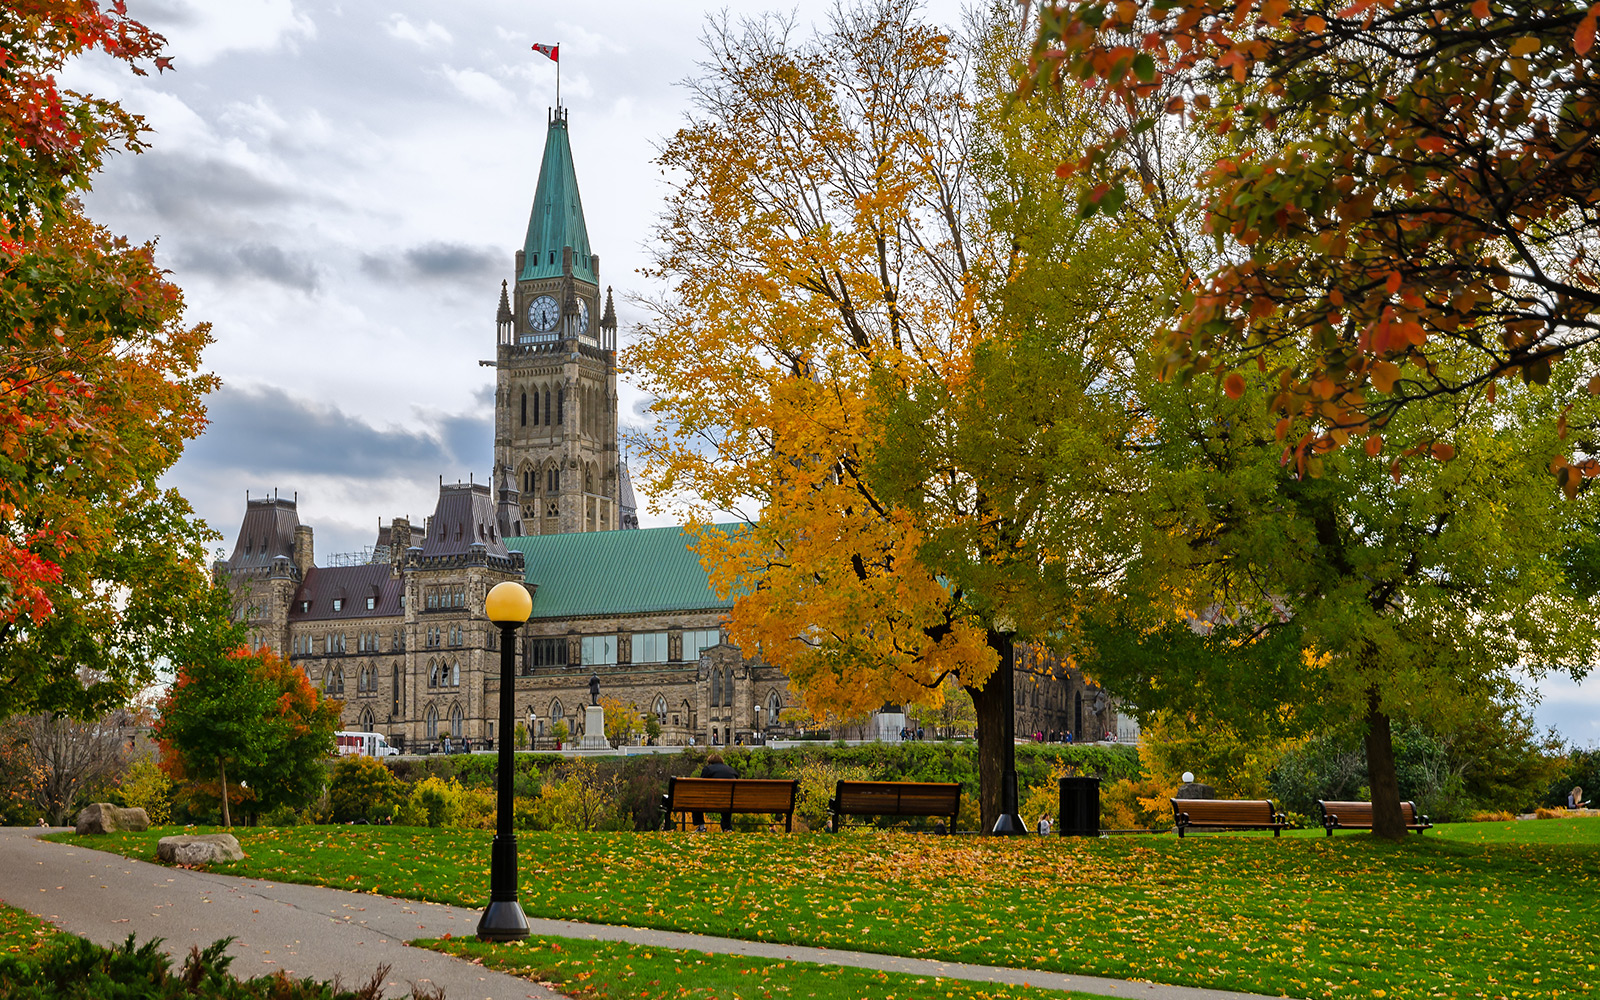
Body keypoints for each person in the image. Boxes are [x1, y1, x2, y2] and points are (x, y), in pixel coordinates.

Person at [695, 752, 738, 832]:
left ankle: (701, 827)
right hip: (730, 801)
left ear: (710, 762)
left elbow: (701, 786)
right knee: (726, 799)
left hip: (712, 800)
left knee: (696, 799)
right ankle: (727, 827)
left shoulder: (708, 769)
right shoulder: (731, 770)